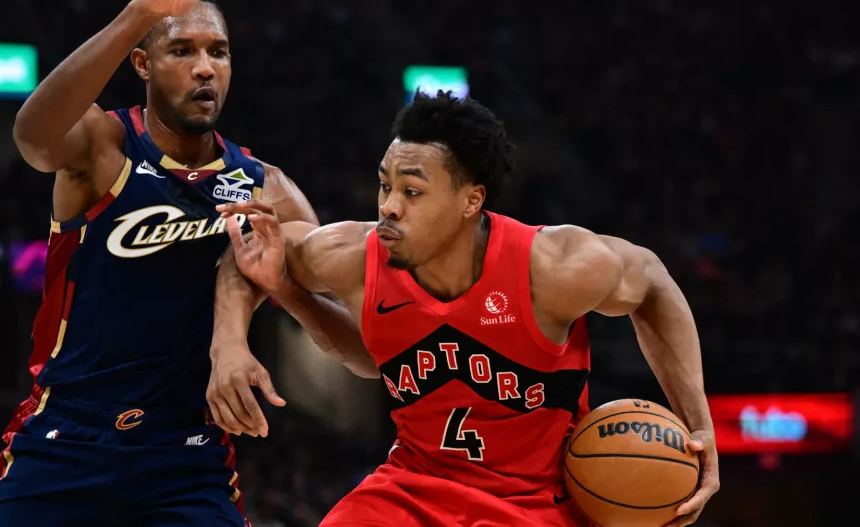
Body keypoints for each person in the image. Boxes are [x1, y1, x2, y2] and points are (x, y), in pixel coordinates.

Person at [210, 91, 720, 527]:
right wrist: (232, 341)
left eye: (412, 192)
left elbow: (653, 282)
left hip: (536, 501)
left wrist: (700, 426)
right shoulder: (353, 257)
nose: (388, 205)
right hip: (413, 486)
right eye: (386, 185)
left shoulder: (554, 267)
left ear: (471, 201)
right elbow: (250, 244)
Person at [0, 0, 371, 526]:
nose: (205, 67)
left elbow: (361, 352)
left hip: (186, 455)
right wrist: (143, 11)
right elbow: (33, 136)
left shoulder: (267, 188)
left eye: (219, 52)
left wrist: (281, 292)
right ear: (143, 64)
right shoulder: (104, 147)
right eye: (182, 50)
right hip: (64, 439)